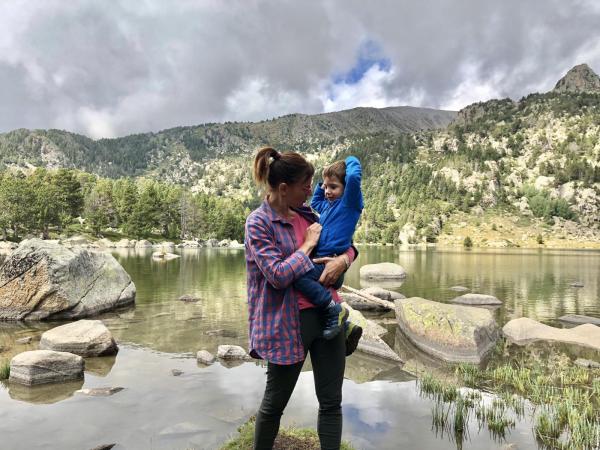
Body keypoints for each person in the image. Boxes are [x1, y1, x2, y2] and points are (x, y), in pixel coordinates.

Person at [245, 147, 357, 450]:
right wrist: (307, 246)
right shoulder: (259, 223)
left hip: (328, 315)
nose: (312, 191)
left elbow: (347, 244)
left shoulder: (308, 213)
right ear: (284, 189)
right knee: (273, 405)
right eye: (305, 186)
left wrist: (343, 261)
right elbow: (278, 276)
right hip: (287, 323)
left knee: (331, 402)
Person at [293, 156, 363, 345]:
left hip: (331, 262)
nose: (327, 191)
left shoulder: (349, 203)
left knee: (297, 276)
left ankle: (334, 310)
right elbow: (315, 201)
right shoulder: (328, 205)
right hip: (324, 262)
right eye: (326, 187)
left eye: (333, 187)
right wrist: (323, 180)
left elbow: (354, 178)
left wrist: (349, 159)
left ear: (346, 187)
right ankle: (345, 324)